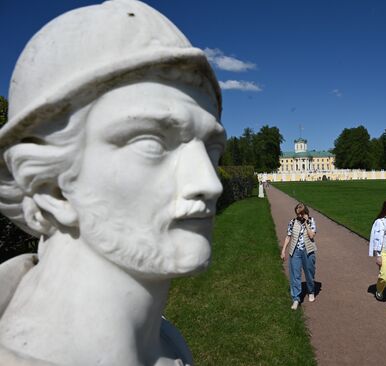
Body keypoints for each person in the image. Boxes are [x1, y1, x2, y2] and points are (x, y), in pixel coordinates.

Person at [0, 1, 224, 365]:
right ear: (50, 188)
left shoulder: (169, 343)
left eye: (212, 149)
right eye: (151, 142)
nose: (210, 183)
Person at [280, 203, 317, 310]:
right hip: (295, 251)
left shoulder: (311, 221)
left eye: (301, 214)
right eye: (298, 214)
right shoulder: (292, 222)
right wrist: (283, 251)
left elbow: (311, 235)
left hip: (308, 251)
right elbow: (288, 237)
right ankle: (296, 298)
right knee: (295, 275)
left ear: (306, 213)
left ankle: (311, 291)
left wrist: (306, 223)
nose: (299, 216)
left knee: (309, 273)